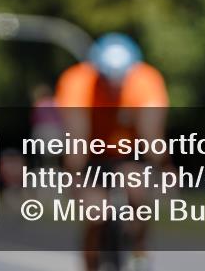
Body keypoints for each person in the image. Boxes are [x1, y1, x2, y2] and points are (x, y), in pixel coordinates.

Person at [55, 33, 169, 271]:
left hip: (128, 154)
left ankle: (139, 249)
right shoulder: (77, 81)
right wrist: (74, 177)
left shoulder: (146, 80)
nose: (114, 86)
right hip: (91, 155)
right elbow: (76, 137)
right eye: (107, 79)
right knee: (96, 214)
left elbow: (151, 135)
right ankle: (90, 264)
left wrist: (163, 166)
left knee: (138, 193)